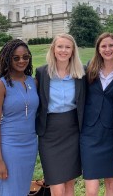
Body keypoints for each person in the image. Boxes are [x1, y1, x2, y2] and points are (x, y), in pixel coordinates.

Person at [80, 32, 113, 196]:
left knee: (111, 185)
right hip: (90, 133)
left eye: (111, 45)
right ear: (98, 49)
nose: (107, 49)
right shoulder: (89, 68)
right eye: (103, 46)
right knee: (91, 190)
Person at [35, 33, 86, 196]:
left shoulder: (80, 73)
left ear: (73, 51)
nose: (63, 50)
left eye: (68, 47)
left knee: (69, 185)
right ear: (53, 49)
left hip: (72, 131)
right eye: (60, 46)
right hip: (49, 133)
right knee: (57, 187)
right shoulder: (42, 73)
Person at [0, 39, 39, 195]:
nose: (22, 61)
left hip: (30, 146)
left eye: (25, 57)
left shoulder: (34, 82)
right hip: (10, 147)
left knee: (23, 190)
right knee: (10, 191)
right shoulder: (1, 85)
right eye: (16, 58)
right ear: (8, 59)